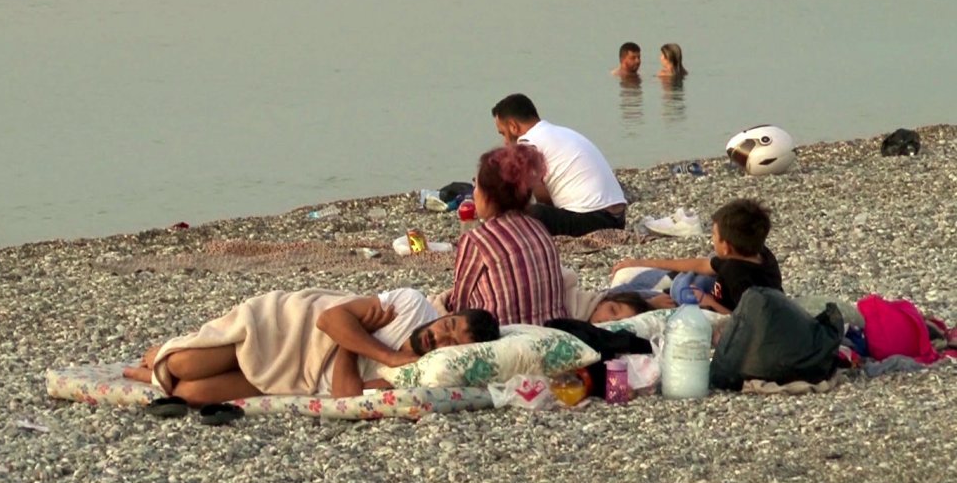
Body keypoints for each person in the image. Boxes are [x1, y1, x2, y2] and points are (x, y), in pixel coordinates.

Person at [123, 288, 500, 405]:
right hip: (285, 326)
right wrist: (383, 353)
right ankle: (159, 358)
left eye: (451, 342)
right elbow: (329, 319)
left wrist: (351, 345)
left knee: (191, 393)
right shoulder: (409, 303)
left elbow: (343, 396)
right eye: (448, 325)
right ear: (443, 316)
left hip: (296, 375)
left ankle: (151, 371)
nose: (440, 336)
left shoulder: (417, 374)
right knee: (183, 366)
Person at [447, 144, 568, 326]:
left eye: (476, 186)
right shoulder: (538, 228)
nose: (474, 193)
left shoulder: (477, 240)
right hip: (554, 334)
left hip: (506, 339)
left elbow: (460, 307)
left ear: (488, 196)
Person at [610, 198, 782, 314]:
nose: (712, 239)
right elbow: (701, 265)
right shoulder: (760, 253)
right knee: (679, 281)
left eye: (714, 235)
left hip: (714, 309)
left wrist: (708, 301)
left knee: (636, 297)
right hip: (709, 292)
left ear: (727, 247)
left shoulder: (737, 275)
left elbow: (745, 320)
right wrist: (642, 263)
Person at [491, 93, 628, 237]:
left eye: (503, 133)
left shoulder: (527, 142)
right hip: (617, 219)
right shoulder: (560, 132)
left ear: (513, 126)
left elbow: (542, 197)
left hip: (592, 220)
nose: (505, 142)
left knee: (526, 213)